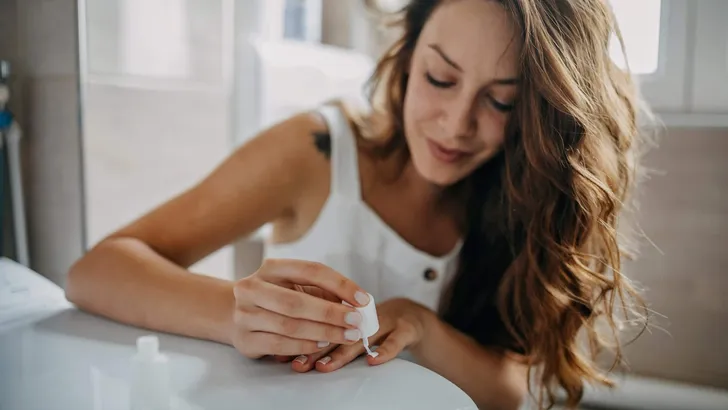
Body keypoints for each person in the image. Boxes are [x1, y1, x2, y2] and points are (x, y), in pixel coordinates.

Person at [65, 0, 655, 408]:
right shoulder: (315, 152)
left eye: (500, 103)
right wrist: (232, 312)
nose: (456, 124)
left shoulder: (518, 195)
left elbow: (508, 392)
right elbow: (94, 272)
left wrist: (420, 326)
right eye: (440, 79)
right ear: (407, 53)